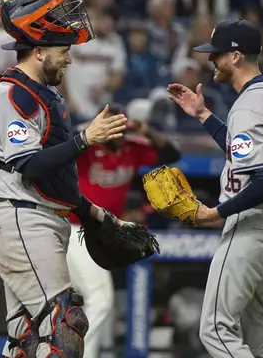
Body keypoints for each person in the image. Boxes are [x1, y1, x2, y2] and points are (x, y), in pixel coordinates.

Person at [0, 0, 131, 358]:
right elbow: (30, 166)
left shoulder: (44, 93)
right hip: (22, 220)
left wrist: (92, 213)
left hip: (37, 218)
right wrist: (86, 139)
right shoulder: (13, 94)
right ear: (39, 50)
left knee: (25, 341)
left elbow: (55, 179)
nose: (68, 59)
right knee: (66, 324)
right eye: (63, 51)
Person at [166, 18, 263, 358]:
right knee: (256, 342)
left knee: (215, 328)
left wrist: (215, 213)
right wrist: (203, 116)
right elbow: (247, 152)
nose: (211, 60)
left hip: (252, 227)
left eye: (218, 54)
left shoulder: (248, 104)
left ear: (236, 56)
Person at [66, 103, 181, 358]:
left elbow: (171, 154)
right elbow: (60, 143)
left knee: (83, 300)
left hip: (101, 232)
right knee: (99, 298)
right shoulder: (86, 147)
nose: (116, 132)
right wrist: (91, 128)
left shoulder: (132, 148)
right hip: (73, 229)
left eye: (120, 126)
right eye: (111, 125)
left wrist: (146, 131)